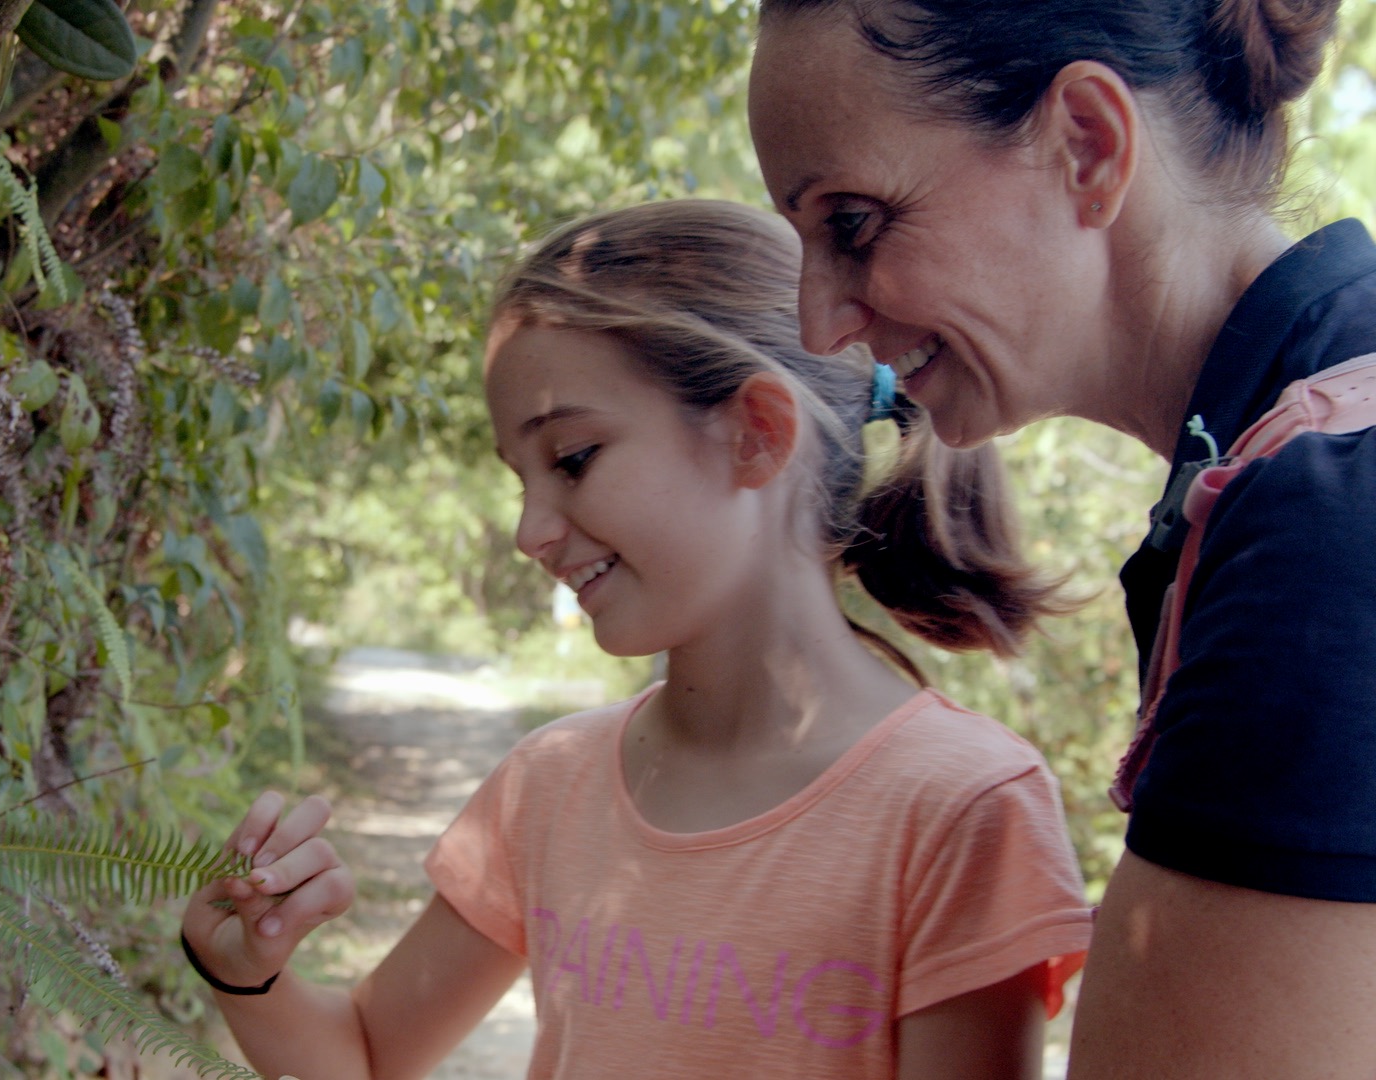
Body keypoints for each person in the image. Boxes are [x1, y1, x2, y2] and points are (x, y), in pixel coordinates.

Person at [180, 200, 1094, 1079]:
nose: (530, 530)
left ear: (756, 434)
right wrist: (244, 970)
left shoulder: (964, 809)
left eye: (572, 459)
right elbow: (371, 1056)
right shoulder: (549, 786)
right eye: (520, 478)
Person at [743, 2, 1376, 1076]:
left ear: (1087, 143)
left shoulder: (1327, 525)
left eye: (851, 223)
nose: (819, 324)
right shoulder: (1279, 465)